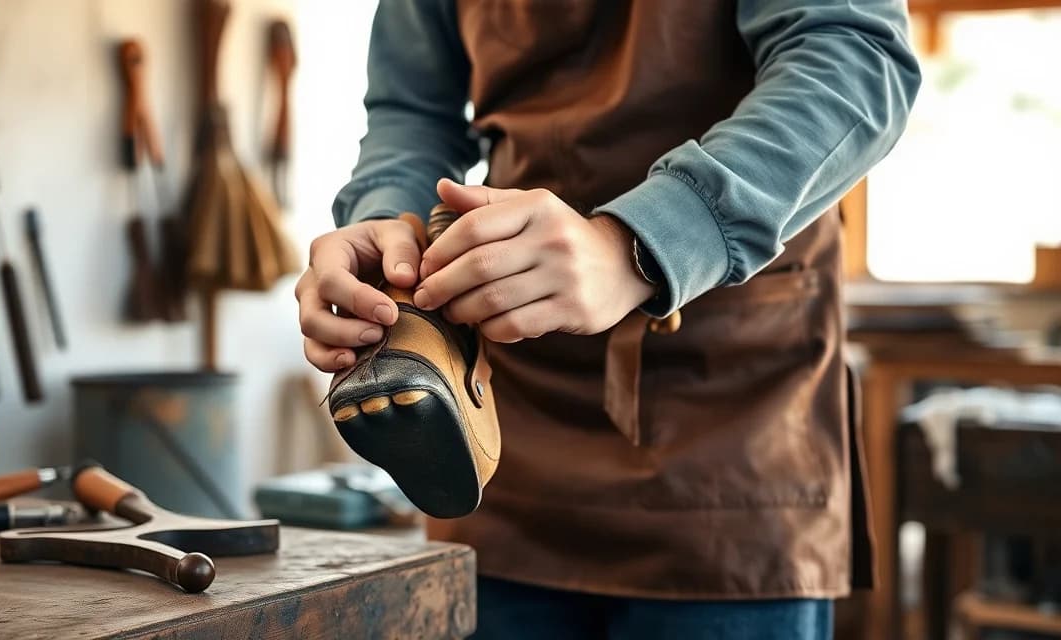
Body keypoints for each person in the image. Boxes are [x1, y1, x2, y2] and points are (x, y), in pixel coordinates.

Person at [295, 2, 920, 638]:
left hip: (732, 428)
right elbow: (414, 112)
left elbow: (853, 59)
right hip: (508, 432)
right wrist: (386, 225)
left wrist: (643, 241)